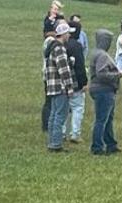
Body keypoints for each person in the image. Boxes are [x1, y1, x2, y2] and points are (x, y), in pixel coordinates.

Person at [89, 29, 122, 155]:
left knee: (107, 119)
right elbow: (102, 73)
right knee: (102, 119)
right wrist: (117, 74)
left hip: (101, 90)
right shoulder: (102, 55)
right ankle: (97, 147)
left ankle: (111, 144)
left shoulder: (96, 53)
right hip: (103, 90)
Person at [43, 20, 75, 151]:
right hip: (60, 87)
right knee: (60, 116)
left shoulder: (51, 47)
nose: (69, 36)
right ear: (63, 34)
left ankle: (51, 142)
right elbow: (63, 70)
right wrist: (70, 87)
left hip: (52, 87)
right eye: (68, 33)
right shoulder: (60, 48)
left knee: (53, 115)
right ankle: (56, 144)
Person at [64, 20, 88, 144]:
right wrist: (84, 82)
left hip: (63, 82)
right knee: (78, 108)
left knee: (65, 108)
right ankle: (75, 133)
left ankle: (63, 132)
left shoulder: (63, 44)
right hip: (75, 83)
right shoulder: (77, 46)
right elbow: (80, 66)